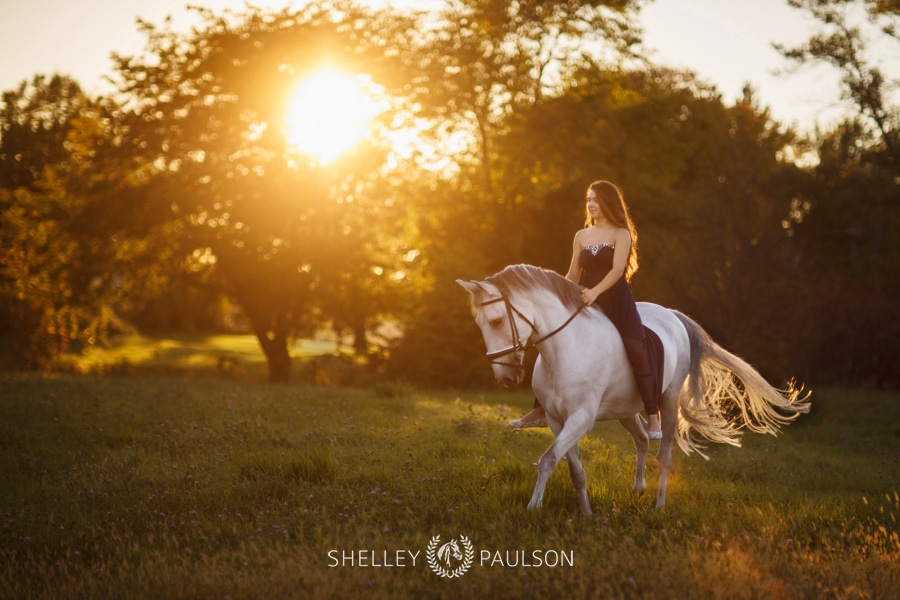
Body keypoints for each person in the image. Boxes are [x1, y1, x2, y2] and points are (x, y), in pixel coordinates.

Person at [508, 180, 663, 439]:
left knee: (636, 346)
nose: (590, 204)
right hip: (585, 297)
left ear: (607, 203)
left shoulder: (620, 232)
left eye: (595, 200)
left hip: (615, 300)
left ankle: (652, 416)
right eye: (588, 200)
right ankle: (539, 409)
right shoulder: (581, 235)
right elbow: (572, 273)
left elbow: (616, 271)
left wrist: (595, 292)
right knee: (551, 337)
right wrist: (554, 295)